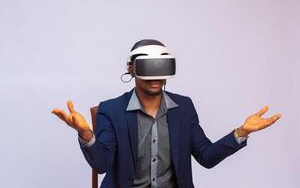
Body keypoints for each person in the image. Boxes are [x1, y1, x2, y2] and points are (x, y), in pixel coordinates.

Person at [51, 39, 282, 188]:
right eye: (148, 67)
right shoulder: (111, 110)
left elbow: (207, 157)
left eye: (161, 67)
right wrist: (86, 135)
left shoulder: (184, 108)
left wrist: (240, 132)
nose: (156, 76)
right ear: (131, 69)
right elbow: (101, 165)